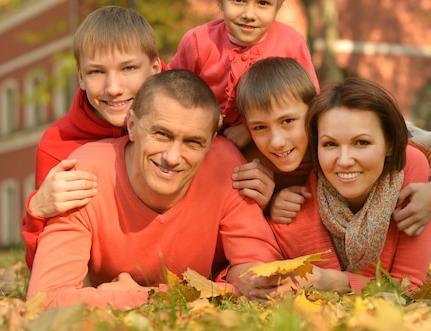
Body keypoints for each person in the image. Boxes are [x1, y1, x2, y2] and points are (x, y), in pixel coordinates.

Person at [27, 70, 283, 309]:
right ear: (132, 125)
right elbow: (44, 298)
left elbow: (262, 280)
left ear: (211, 142)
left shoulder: (226, 168)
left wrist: (134, 296)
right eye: (161, 134)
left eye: (193, 142)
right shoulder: (86, 173)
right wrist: (212, 292)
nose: (172, 157)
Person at [252, 76, 431, 295]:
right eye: (330, 144)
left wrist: (337, 281)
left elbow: (408, 288)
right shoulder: (294, 209)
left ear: (390, 144)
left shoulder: (410, 169)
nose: (345, 160)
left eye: (361, 143)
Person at [234, 57, 431, 237]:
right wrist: (271, 204)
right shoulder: (251, 158)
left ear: (313, 110)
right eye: (260, 127)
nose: (277, 141)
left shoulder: (336, 130)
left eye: (288, 121)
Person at [22, 5, 166, 269]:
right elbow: (45, 266)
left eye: (129, 68)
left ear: (155, 67)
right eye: (96, 72)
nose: (113, 89)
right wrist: (38, 212)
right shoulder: (58, 146)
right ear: (80, 77)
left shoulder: (190, 113)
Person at [168, 0, 320, 150]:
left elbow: (308, 103)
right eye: (238, 0)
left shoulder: (291, 44)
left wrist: (249, 129)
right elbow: (171, 91)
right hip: (202, 144)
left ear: (279, 3)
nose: (249, 14)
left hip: (270, 148)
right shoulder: (198, 41)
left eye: (263, 3)